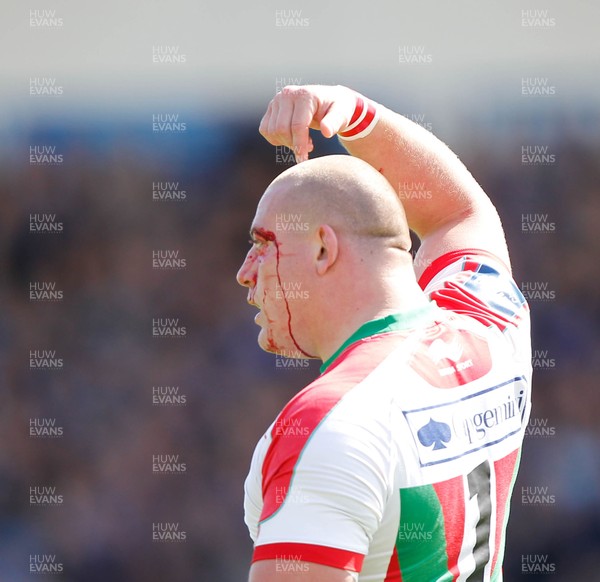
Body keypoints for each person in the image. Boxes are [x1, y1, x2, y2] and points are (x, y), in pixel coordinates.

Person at [236, 85, 532, 582]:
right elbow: (460, 212)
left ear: (323, 250)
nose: (245, 272)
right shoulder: (492, 323)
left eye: (262, 245)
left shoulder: (326, 424)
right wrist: (348, 109)